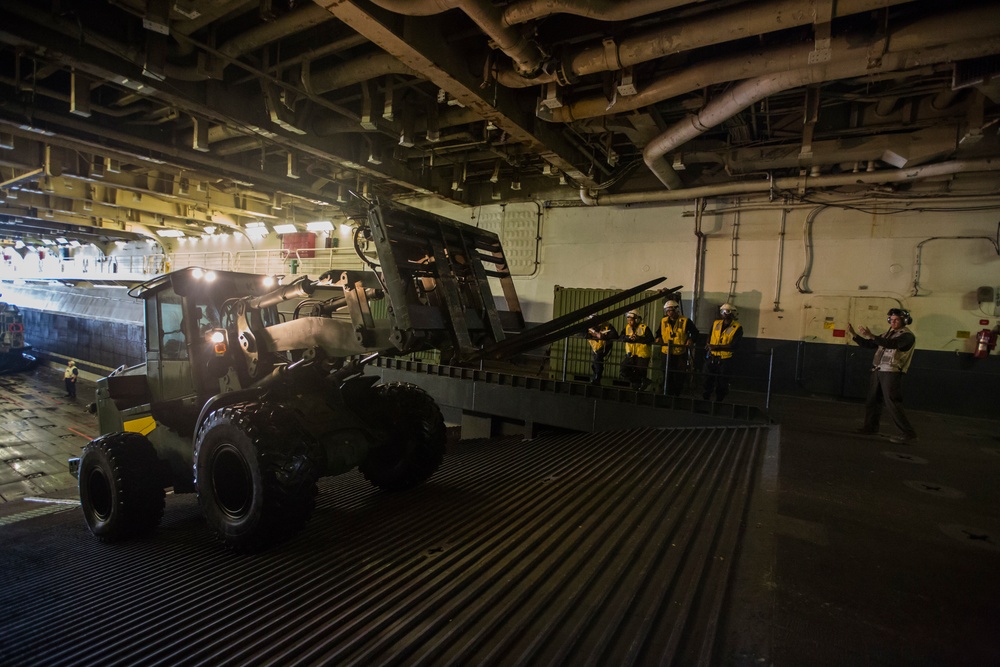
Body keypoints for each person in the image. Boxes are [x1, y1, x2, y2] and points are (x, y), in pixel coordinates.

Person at [849, 308, 918, 443]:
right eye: (891, 320)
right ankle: (870, 428)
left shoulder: (907, 336)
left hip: (892, 371)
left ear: (904, 321)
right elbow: (870, 345)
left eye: (896, 320)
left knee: (892, 402)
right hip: (878, 370)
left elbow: (893, 345)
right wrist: (855, 335)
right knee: (872, 401)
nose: (892, 322)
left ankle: (908, 433)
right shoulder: (887, 334)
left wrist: (873, 336)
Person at [656, 299, 699, 396]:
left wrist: (691, 339)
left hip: (680, 353)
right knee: (667, 374)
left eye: (671, 310)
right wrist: (658, 338)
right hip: (666, 352)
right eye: (668, 311)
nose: (669, 313)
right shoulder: (663, 321)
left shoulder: (685, 321)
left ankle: (677, 395)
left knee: (679, 376)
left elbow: (695, 333)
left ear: (676, 310)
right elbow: (658, 332)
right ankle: (667, 394)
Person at [703, 303, 742, 401]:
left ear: (733, 313)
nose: (724, 313)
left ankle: (719, 401)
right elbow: (710, 335)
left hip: (725, 359)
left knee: (722, 382)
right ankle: (705, 398)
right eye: (722, 311)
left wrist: (717, 347)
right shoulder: (716, 323)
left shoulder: (737, 327)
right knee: (707, 379)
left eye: (727, 311)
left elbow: (734, 345)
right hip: (712, 357)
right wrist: (708, 344)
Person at [620, 309, 654, 390]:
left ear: (636, 319)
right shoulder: (627, 328)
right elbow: (621, 337)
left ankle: (639, 387)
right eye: (628, 320)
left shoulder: (644, 328)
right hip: (630, 354)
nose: (629, 322)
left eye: (631, 320)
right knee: (623, 370)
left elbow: (651, 339)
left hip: (642, 355)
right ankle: (642, 381)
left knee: (640, 372)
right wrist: (628, 338)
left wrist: (639, 339)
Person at [585, 317, 619, 385]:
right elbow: (579, 333)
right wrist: (590, 335)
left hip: (605, 346)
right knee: (595, 364)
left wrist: (602, 336)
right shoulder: (587, 327)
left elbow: (615, 335)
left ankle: (597, 378)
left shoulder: (607, 325)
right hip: (594, 347)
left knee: (598, 360)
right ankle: (596, 378)